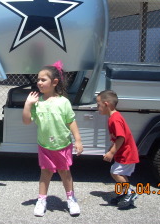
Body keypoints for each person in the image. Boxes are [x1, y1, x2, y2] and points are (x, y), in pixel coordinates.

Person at [22, 61, 83, 217]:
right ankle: (42, 200)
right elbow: (26, 121)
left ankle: (71, 199)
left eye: (43, 80)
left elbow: (71, 121)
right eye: (38, 79)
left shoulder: (64, 102)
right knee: (46, 173)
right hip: (45, 146)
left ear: (55, 82)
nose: (39, 82)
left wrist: (78, 140)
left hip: (63, 145)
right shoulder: (37, 102)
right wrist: (28, 105)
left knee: (65, 172)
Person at [96, 89, 139, 209]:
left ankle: (130, 193)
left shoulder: (115, 119)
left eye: (98, 105)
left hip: (127, 153)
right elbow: (117, 139)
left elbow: (121, 137)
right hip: (124, 152)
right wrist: (112, 149)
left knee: (115, 172)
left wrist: (111, 152)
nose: (97, 107)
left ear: (106, 104)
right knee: (120, 173)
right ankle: (125, 194)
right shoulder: (113, 117)